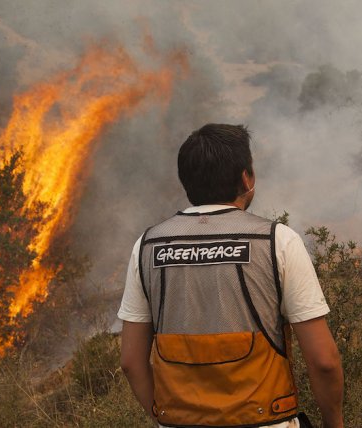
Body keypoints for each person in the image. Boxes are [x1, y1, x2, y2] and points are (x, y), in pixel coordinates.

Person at [117, 123, 344, 428]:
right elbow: (324, 361)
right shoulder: (277, 241)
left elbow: (131, 363)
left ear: (186, 181)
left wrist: (165, 419)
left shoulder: (146, 246)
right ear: (246, 178)